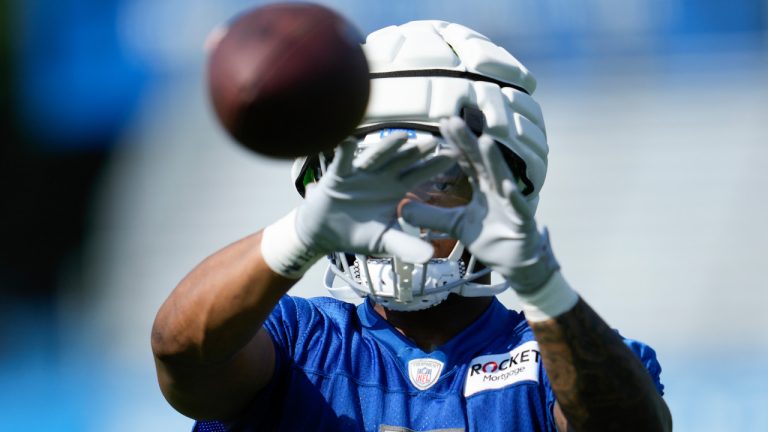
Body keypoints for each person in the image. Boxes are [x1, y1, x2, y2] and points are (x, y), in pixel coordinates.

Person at [151, 21, 672, 431]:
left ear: (505, 193)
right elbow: (181, 353)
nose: (400, 207)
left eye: (440, 180)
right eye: (372, 180)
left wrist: (542, 284)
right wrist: (301, 235)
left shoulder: (555, 361)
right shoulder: (295, 341)